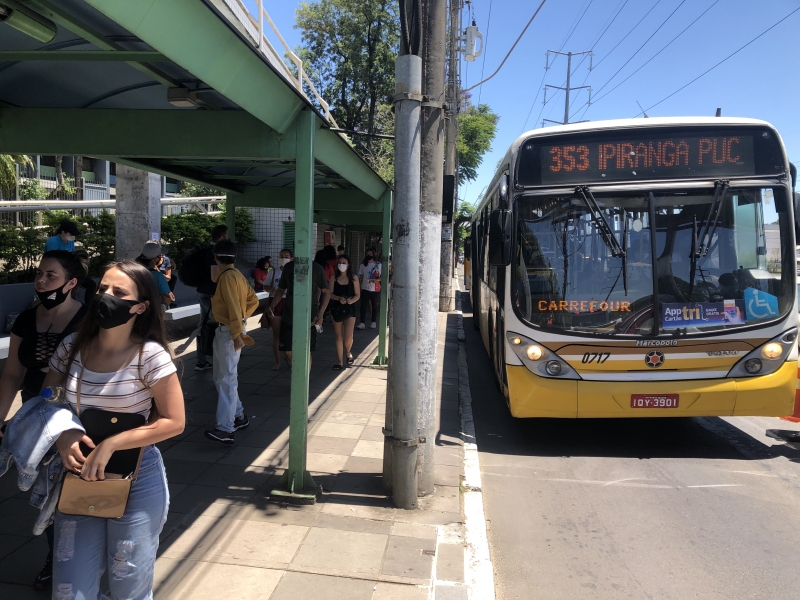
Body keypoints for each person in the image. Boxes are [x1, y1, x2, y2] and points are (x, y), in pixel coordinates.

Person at [43, 260, 185, 599]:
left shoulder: (150, 356)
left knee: (128, 582)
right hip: (79, 476)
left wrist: (113, 444)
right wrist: (63, 433)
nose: (105, 296)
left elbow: (174, 421)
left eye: (118, 292)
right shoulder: (71, 348)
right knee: (69, 585)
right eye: (102, 289)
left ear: (140, 306)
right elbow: (48, 396)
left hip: (135, 477)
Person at [0, 251, 89, 591]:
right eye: (39, 274)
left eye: (50, 276)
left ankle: (74, 558)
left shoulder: (87, 321)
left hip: (75, 417)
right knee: (47, 490)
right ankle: (58, 557)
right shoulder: (26, 320)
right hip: (36, 414)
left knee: (71, 488)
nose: (41, 281)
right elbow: (12, 374)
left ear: (71, 283)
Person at [204, 239, 259, 444]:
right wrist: (243, 320)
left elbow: (235, 307)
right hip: (230, 330)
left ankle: (226, 428)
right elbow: (252, 300)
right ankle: (238, 416)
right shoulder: (237, 275)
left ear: (216, 257)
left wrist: (237, 332)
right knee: (224, 378)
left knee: (225, 379)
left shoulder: (226, 277)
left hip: (228, 332)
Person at [267, 250, 330, 367]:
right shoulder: (288, 267)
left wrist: (321, 313)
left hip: (310, 315)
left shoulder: (317, 268)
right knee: (287, 350)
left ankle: (304, 381)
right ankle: (296, 373)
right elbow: (281, 289)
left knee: (306, 350)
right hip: (289, 314)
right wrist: (272, 305)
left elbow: (326, 291)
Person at [195, 225, 229, 371]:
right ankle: (220, 356)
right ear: (221, 237)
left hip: (201, 291)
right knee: (220, 324)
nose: (228, 238)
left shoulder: (203, 251)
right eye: (226, 235)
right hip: (211, 294)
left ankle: (201, 360)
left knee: (203, 325)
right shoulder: (214, 253)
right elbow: (214, 276)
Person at [328, 254, 360, 370]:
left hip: (350, 309)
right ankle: (340, 361)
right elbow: (330, 294)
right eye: (339, 263)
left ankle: (348, 351)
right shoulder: (333, 277)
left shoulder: (354, 278)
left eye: (344, 263)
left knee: (348, 336)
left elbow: (357, 295)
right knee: (338, 336)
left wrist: (351, 300)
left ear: (348, 264)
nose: (341, 265)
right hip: (336, 309)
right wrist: (338, 298)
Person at [264, 250, 288, 370]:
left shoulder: (294, 272)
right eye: (282, 257)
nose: (284, 258)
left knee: (289, 333)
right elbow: (265, 286)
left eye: (286, 256)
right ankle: (278, 361)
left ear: (292, 258)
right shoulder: (273, 272)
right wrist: (271, 290)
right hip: (275, 302)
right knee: (276, 334)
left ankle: (289, 357)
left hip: (289, 302)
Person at [136, 241, 173, 310]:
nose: (162, 258)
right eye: (160, 256)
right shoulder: (158, 275)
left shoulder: (132, 271)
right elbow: (167, 301)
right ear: (155, 258)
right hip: (152, 312)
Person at [357, 248, 381, 330]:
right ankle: (362, 322)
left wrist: (377, 280)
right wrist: (359, 287)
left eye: (371, 253)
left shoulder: (378, 265)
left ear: (374, 254)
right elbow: (360, 276)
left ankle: (373, 321)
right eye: (367, 253)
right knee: (363, 305)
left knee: (374, 305)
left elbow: (382, 277)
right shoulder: (363, 265)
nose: (369, 255)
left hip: (375, 288)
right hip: (365, 288)